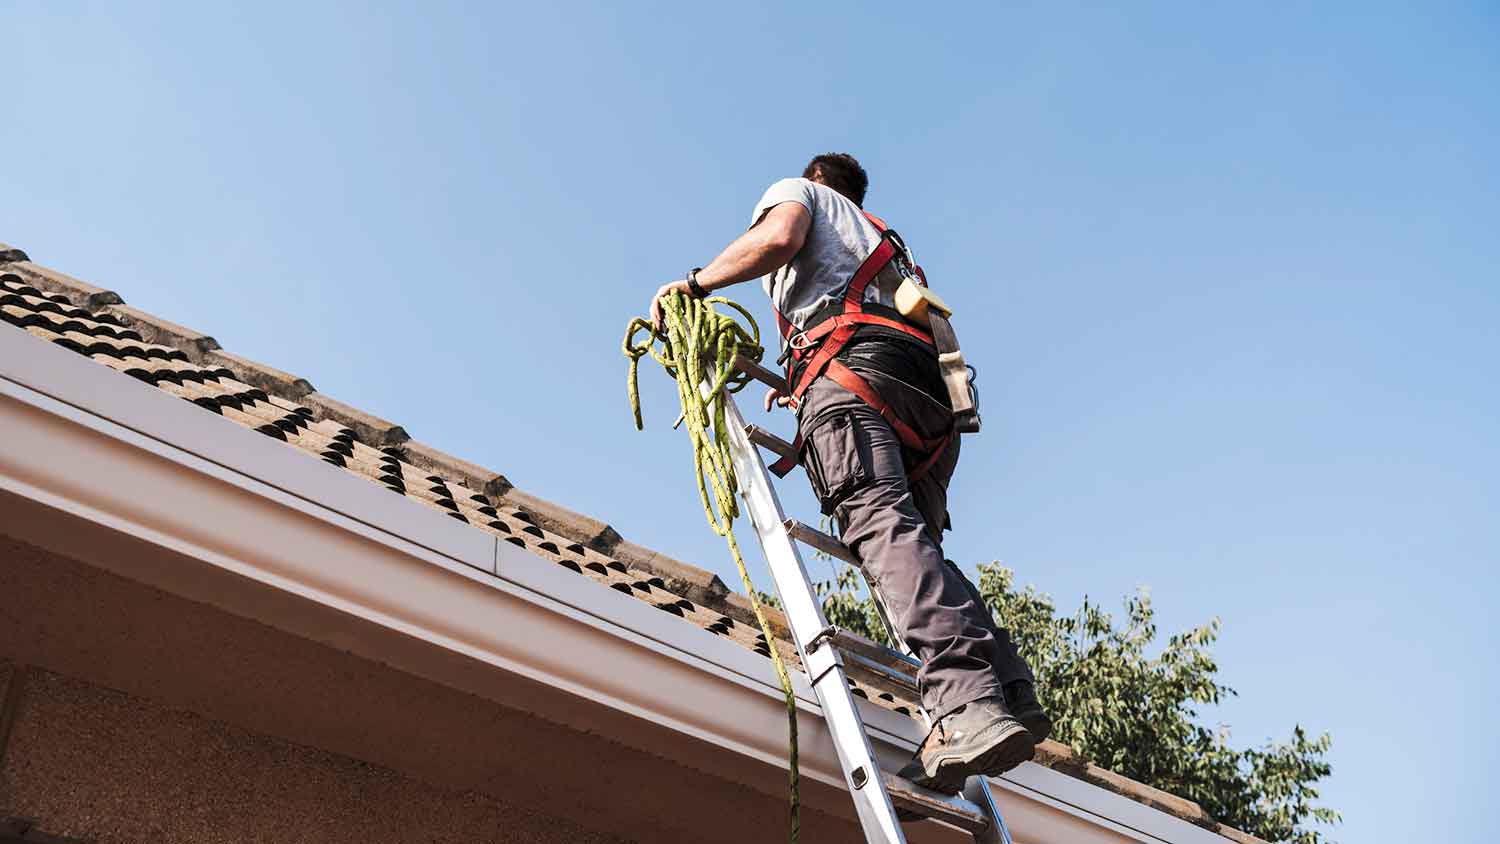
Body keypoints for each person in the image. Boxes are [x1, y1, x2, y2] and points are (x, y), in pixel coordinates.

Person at [648, 153, 1051, 794]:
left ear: (812, 181)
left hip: (856, 375)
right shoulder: (883, 239)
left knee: (882, 528)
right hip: (929, 394)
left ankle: (966, 700)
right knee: (912, 541)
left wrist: (693, 285)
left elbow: (780, 237)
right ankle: (1003, 684)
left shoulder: (799, 195)